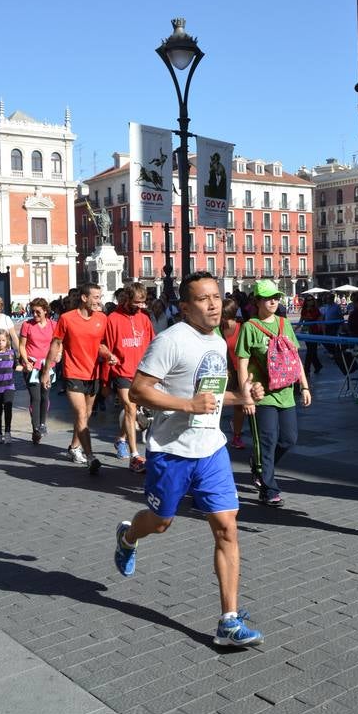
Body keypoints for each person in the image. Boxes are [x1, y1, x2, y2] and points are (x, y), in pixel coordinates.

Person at [114, 271, 265, 647]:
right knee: (161, 522)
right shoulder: (170, 341)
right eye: (203, 299)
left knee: (227, 527)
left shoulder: (216, 340)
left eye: (216, 296)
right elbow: (138, 391)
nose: (213, 304)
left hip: (211, 448)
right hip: (171, 451)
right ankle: (129, 536)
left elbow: (210, 395)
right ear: (185, 307)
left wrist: (242, 396)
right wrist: (187, 405)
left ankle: (229, 620)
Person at [236, 279, 311, 507]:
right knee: (268, 441)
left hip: (286, 392)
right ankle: (269, 489)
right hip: (262, 394)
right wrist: (246, 396)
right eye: (268, 298)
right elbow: (241, 363)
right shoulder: (249, 327)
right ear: (257, 301)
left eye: (276, 297)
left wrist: (305, 385)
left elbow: (295, 356)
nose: (274, 301)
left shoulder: (283, 323)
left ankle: (259, 465)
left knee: (289, 439)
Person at [42, 283, 114, 475]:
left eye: (100, 297)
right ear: (84, 298)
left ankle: (74, 446)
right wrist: (46, 371)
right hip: (73, 372)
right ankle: (90, 457)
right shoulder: (67, 319)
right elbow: (56, 344)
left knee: (86, 414)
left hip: (94, 373)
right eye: (96, 297)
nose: (99, 301)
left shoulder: (102, 319)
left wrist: (109, 356)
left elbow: (101, 345)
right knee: (82, 414)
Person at [103, 283, 154, 468]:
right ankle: (135, 455)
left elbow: (152, 345)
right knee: (130, 409)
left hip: (141, 372)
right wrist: (109, 362)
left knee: (134, 412)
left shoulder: (145, 319)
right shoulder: (113, 319)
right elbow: (105, 346)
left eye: (143, 303)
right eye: (136, 302)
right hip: (122, 371)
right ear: (126, 299)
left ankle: (121, 438)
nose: (140, 306)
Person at [19, 298, 56, 444]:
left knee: (45, 395)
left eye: (38, 312)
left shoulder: (53, 325)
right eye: (32, 311)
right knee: (36, 397)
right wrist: (26, 361)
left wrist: (59, 354)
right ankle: (35, 429)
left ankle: (42, 424)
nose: (34, 314)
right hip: (32, 366)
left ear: (45, 311)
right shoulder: (27, 325)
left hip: (48, 366)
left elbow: (58, 344)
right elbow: (22, 345)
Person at [220, 297, 245, 449]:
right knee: (216, 403)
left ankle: (236, 435)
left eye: (226, 315)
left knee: (239, 403)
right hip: (224, 370)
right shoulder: (216, 329)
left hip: (239, 369)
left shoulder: (243, 327)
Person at [297, 296, 323, 376]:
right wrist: (295, 328)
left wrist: (321, 332)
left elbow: (320, 321)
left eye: (311, 300)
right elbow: (301, 321)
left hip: (314, 332)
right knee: (311, 350)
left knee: (311, 351)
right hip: (306, 332)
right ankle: (317, 366)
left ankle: (307, 370)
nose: (310, 301)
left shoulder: (316, 310)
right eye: (308, 300)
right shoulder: (304, 310)